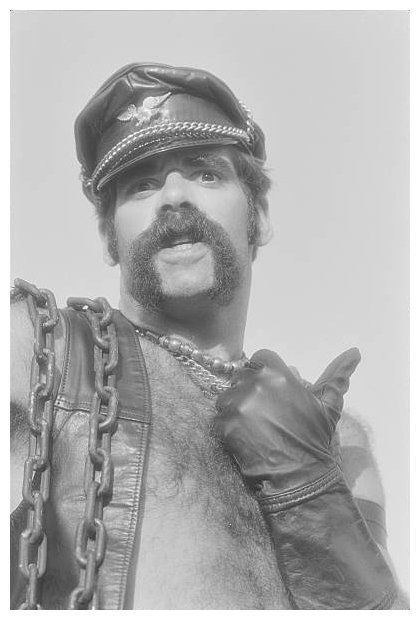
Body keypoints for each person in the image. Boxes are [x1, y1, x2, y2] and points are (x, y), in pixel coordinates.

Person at [10, 62, 407, 610]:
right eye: (141, 184)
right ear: (108, 239)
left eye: (206, 174)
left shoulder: (341, 437)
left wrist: (308, 484)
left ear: (259, 216)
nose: (173, 196)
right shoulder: (40, 351)